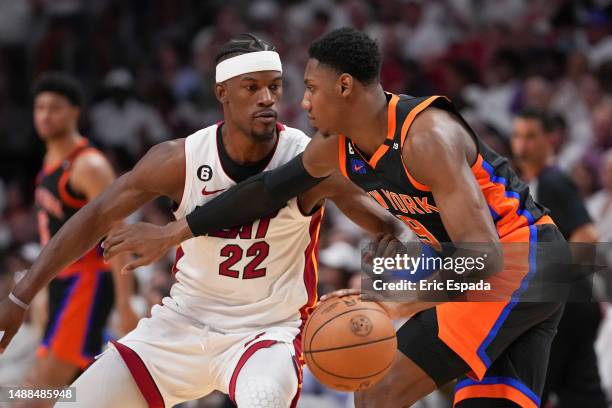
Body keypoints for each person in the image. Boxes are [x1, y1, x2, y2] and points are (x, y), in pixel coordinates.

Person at [104, 28, 569, 407]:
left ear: (344, 86)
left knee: (375, 394)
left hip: (520, 262)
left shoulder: (425, 137)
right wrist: (173, 232)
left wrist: (397, 299)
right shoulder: (335, 149)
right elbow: (262, 193)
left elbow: (484, 258)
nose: (302, 102)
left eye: (310, 88)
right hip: (528, 271)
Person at [0, 34, 404, 408]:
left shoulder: (308, 159)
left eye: (274, 87)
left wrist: (384, 265)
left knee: (264, 400)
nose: (267, 98)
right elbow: (95, 217)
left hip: (266, 333)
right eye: (252, 87)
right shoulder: (179, 159)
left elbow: (386, 225)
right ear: (222, 93)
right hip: (182, 322)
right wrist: (20, 297)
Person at [26, 73, 138, 390]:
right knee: (67, 392)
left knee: (38, 393)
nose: (45, 115)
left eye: (54, 108)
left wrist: (125, 303)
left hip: (86, 281)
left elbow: (119, 232)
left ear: (75, 112)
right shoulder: (50, 161)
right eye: (40, 108)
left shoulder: (89, 165)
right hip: (60, 285)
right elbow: (52, 239)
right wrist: (44, 289)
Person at [511, 109, 606, 407]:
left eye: (530, 137)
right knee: (582, 391)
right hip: (576, 305)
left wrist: (544, 281)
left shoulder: (554, 180)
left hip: (565, 306)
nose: (522, 145)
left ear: (549, 139)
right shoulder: (536, 182)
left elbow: (587, 235)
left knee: (529, 390)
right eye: (517, 137)